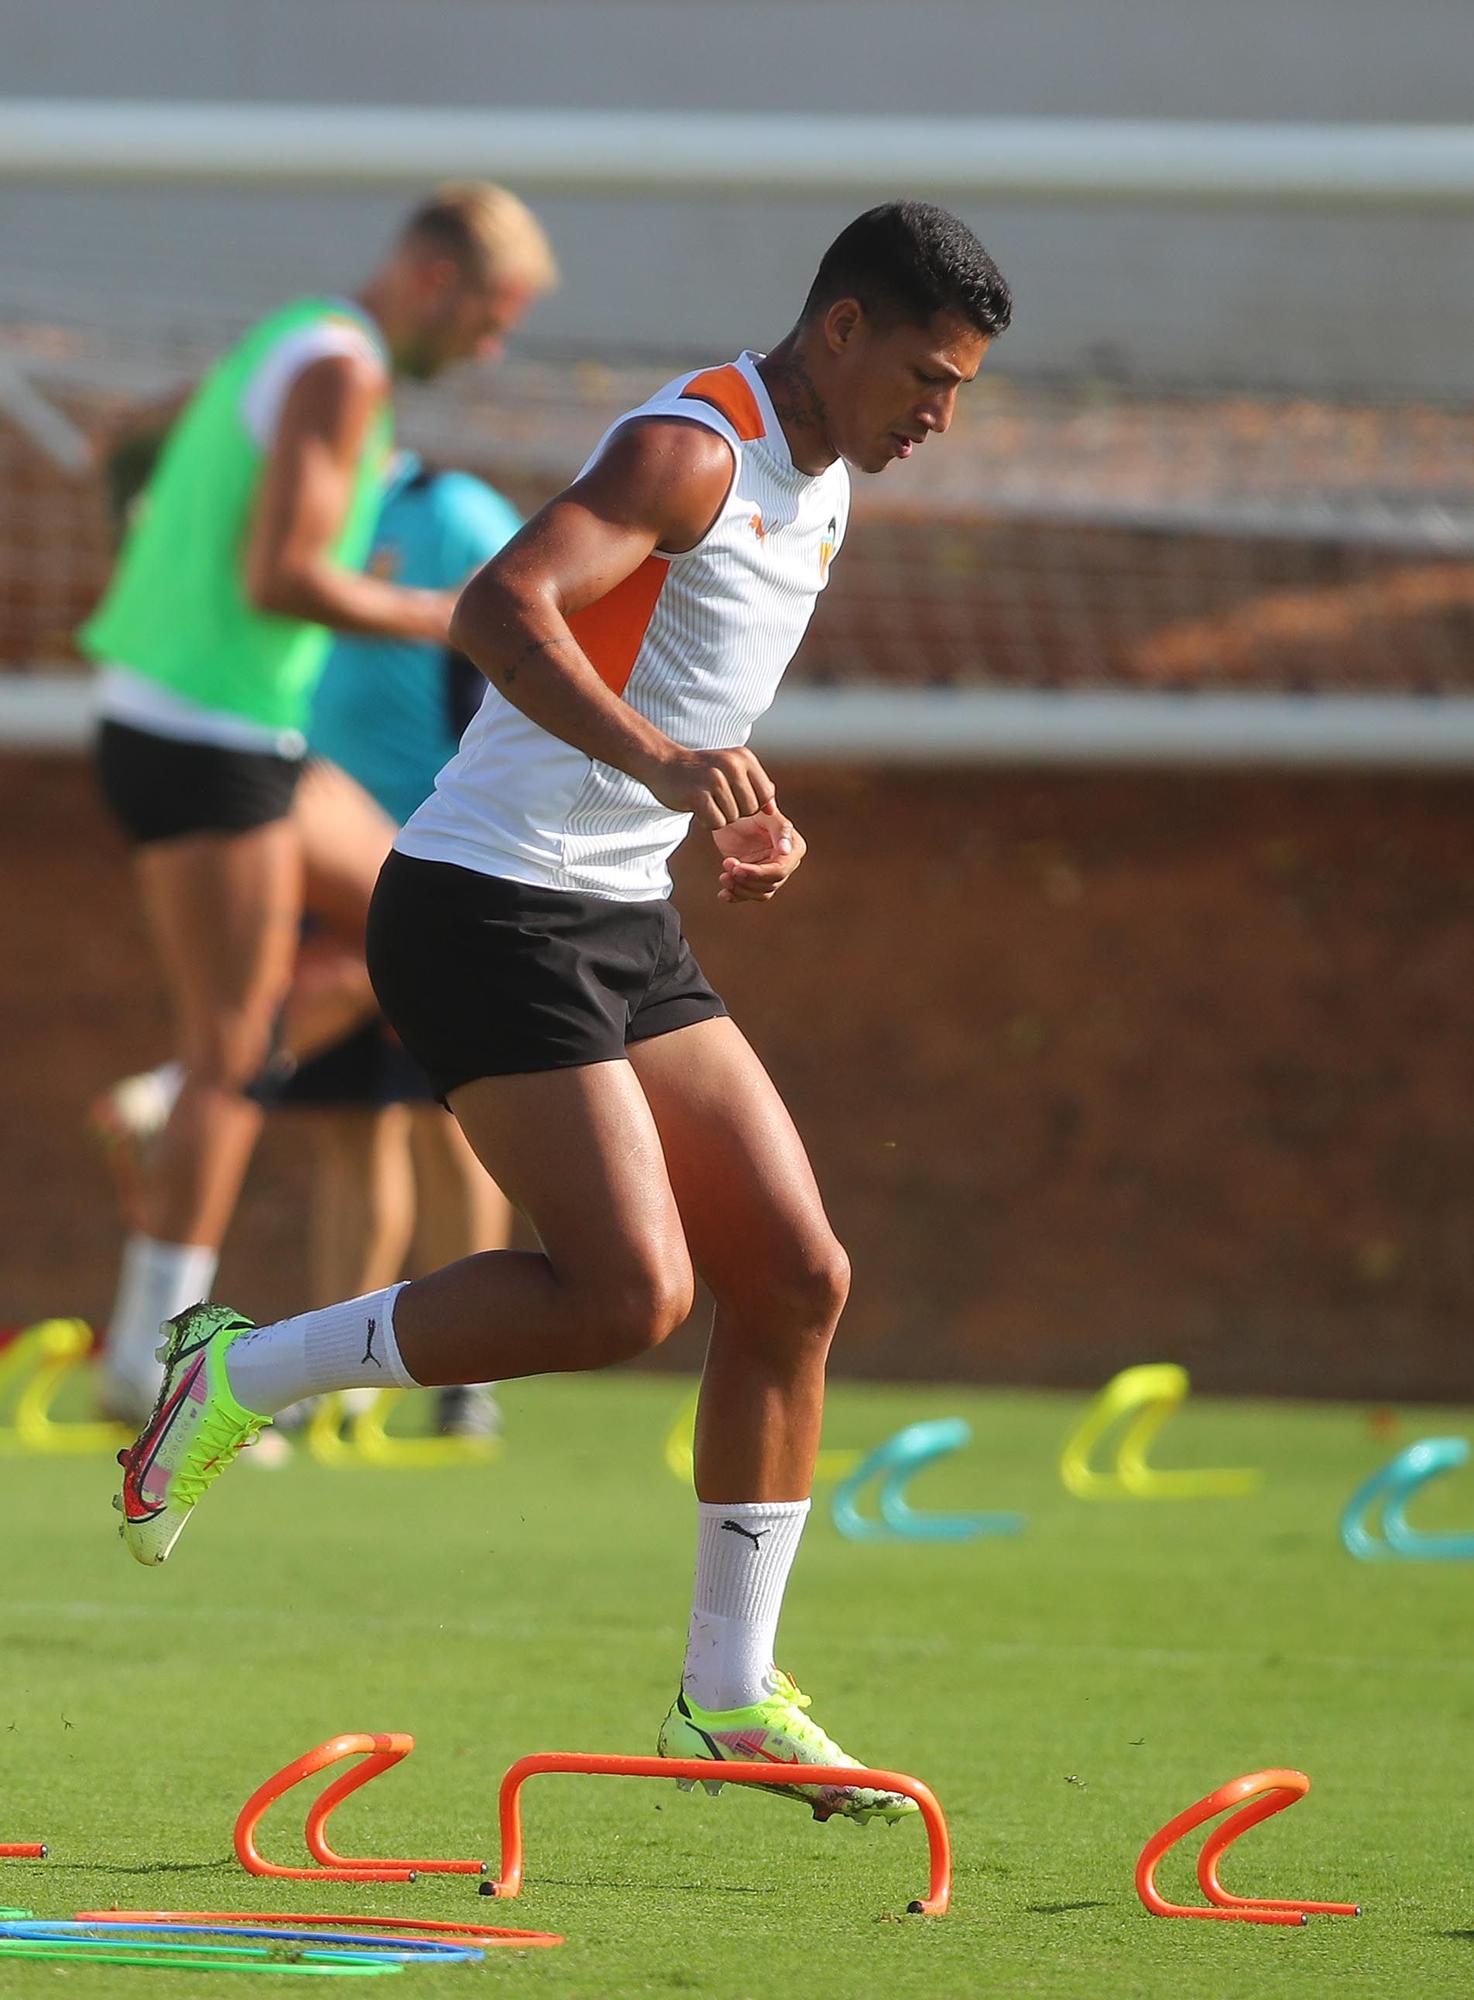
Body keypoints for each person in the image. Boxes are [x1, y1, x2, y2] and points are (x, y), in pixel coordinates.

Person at [116, 202, 1012, 1822]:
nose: (937, 418)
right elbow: (497, 609)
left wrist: (734, 810)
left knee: (798, 1276)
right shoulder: (691, 449)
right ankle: (237, 1371)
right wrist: (662, 769)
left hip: (614, 915)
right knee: (622, 1297)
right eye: (927, 379)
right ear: (838, 332)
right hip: (480, 906)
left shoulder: (819, 488)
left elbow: (678, 708)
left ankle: (730, 1695)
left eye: (956, 392)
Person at [83, 185, 557, 1420]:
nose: (491, 347)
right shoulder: (343, 374)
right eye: (493, 317)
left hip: (220, 727)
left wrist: (158, 553)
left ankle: (176, 1111)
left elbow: (123, 445)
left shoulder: (289, 335)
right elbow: (284, 575)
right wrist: (448, 612)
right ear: (433, 278)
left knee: (432, 899)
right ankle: (148, 1355)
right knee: (232, 1054)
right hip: (207, 735)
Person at [277, 453, 524, 1439]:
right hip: (326, 855)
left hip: (436, 855)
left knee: (451, 1117)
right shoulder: (302, 514)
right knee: (348, 1122)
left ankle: (471, 1376)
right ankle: (337, 1374)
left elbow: (529, 631)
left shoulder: (456, 508)